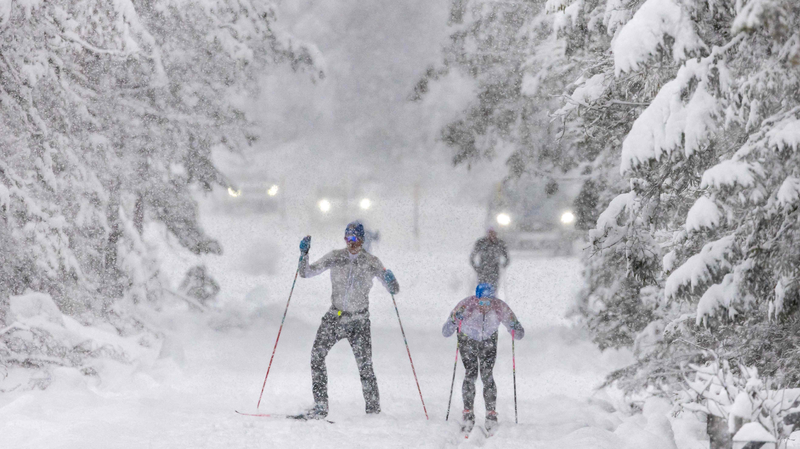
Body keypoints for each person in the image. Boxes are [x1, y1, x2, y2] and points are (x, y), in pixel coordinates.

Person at [296, 222, 400, 419]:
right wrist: (304, 255)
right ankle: (320, 405)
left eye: (354, 238)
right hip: (335, 317)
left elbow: (393, 290)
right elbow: (306, 273)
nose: (350, 242)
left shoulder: (372, 262)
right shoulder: (336, 257)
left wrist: (391, 279)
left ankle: (373, 410)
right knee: (316, 356)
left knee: (365, 367)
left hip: (359, 321)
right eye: (347, 238)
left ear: (362, 240)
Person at [442, 283, 524, 433]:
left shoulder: (499, 307)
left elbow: (519, 334)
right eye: (481, 301)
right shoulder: (466, 305)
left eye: (488, 302)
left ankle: (491, 415)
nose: (484, 306)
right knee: (470, 373)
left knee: (487, 375)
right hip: (468, 339)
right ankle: (468, 413)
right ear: (476, 298)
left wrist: (515, 327)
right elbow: (445, 331)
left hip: (489, 340)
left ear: (493, 300)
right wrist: (454, 320)